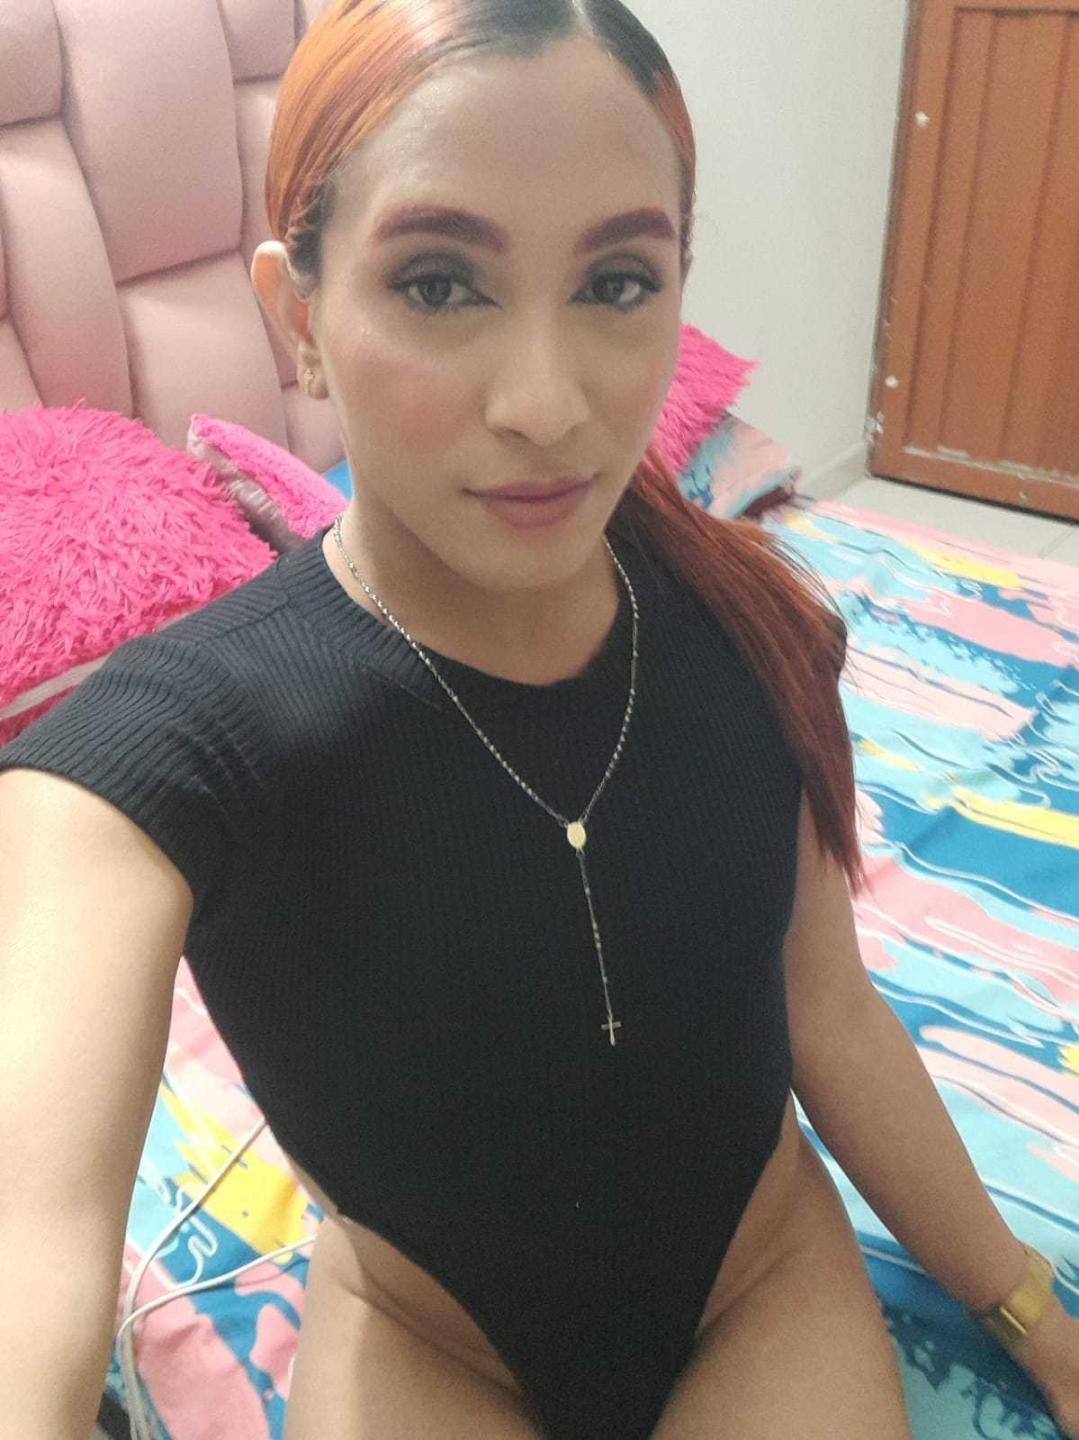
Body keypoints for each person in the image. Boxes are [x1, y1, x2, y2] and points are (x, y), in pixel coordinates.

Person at [1, 1, 1076, 1437]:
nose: (548, 404)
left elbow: (827, 1010)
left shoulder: (752, 627)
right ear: (298, 316)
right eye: (440, 284)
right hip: (429, 1347)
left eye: (617, 282)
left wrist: (1041, 1328)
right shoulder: (154, 760)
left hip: (757, 1285)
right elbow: (27, 1251)